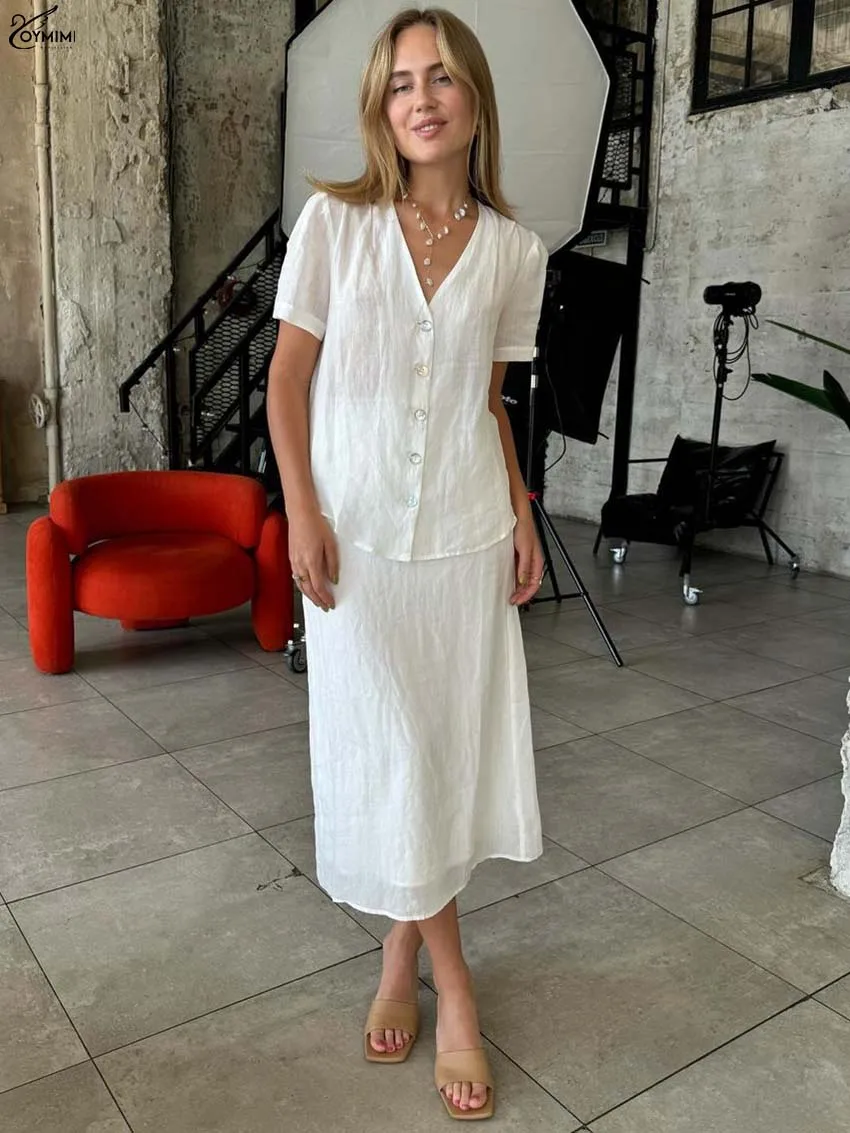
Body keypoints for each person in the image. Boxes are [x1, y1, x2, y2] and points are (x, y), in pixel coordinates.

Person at [267, 6, 547, 1120]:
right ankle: (455, 984)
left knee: (436, 755)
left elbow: (486, 399)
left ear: (474, 95)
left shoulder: (517, 251)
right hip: (359, 542)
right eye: (399, 83)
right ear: (380, 108)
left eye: (438, 77)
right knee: (391, 749)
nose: (420, 99)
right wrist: (300, 510)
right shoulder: (334, 225)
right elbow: (288, 380)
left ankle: (398, 951)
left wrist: (522, 509)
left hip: (466, 539)